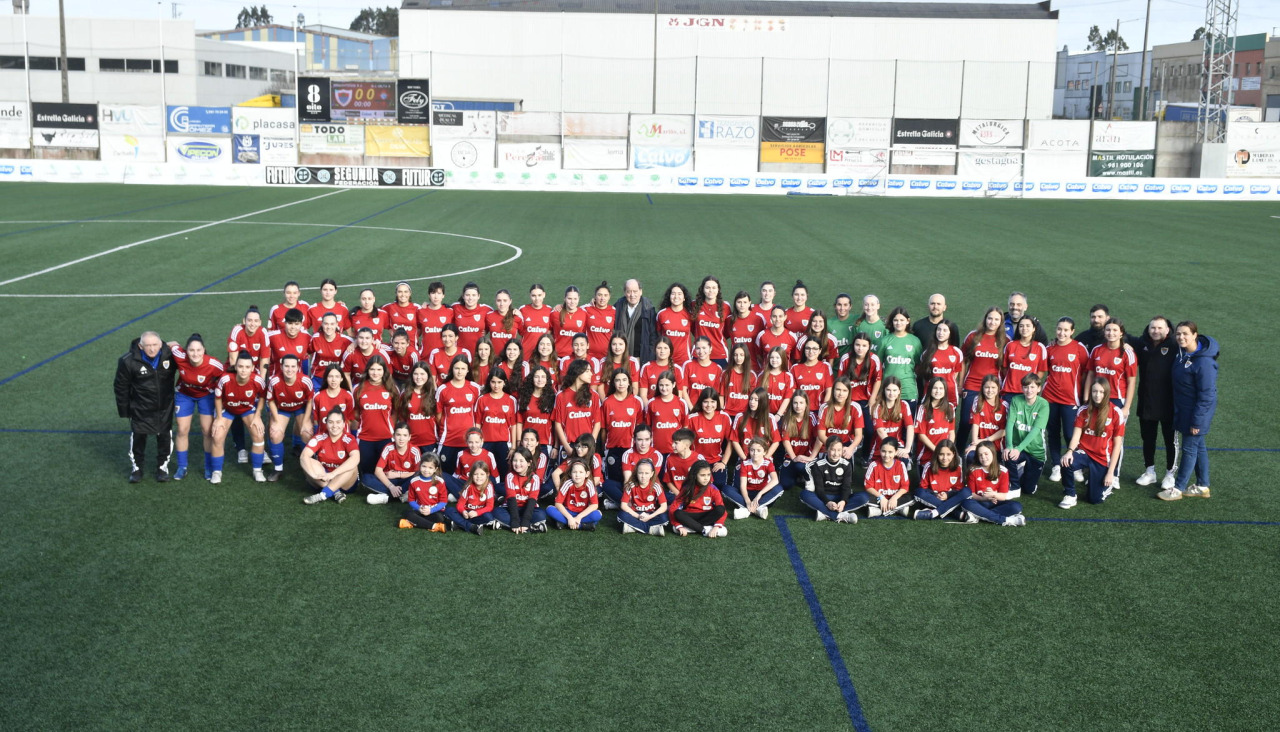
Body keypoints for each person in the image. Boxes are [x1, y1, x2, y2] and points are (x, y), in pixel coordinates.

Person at [1162, 321, 1218, 501]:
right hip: (1184, 411)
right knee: (1198, 447)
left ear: (1195, 335)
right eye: (1178, 334)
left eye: (1185, 333)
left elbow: (1207, 395)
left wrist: (1197, 421)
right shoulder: (1183, 354)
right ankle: (1202, 485)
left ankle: (1178, 488)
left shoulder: (1204, 362)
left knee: (1189, 449)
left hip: (1195, 414)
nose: (1181, 337)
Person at [115, 330, 180, 483]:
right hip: (140, 408)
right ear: (140, 346)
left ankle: (162, 468)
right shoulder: (127, 361)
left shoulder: (170, 355)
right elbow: (120, 387)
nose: (152, 349)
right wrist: (124, 410)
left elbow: (190, 362)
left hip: (165, 407)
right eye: (148, 345)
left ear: (161, 344)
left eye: (155, 345)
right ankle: (137, 469)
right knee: (138, 438)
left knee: (164, 438)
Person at [1059, 380, 1126, 508]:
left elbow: (1117, 445)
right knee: (1066, 461)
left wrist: (1111, 472)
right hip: (1085, 453)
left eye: (1101, 392)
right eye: (1095, 391)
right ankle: (1070, 495)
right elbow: (1076, 435)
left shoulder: (1116, 412)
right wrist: (1069, 451)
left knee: (1094, 499)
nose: (1097, 395)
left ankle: (1104, 487)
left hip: (1102, 458)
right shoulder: (1083, 410)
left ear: (1107, 393)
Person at [166, 334, 223, 481]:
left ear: (204, 350)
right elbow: (172, 343)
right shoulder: (180, 355)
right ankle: (182, 466)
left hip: (206, 395)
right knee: (182, 429)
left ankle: (208, 467)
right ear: (186, 351)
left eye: (198, 350)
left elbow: (225, 377)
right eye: (191, 350)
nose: (195, 354)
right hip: (184, 394)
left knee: (207, 430)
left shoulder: (213, 364)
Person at [1043, 317, 1090, 482]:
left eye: (1065, 330)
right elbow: (1045, 370)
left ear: (1072, 332)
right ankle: (1056, 465)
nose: (1061, 333)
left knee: (1071, 434)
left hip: (1071, 400)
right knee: (1053, 433)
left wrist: (1084, 394)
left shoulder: (1079, 348)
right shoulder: (1049, 348)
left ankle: (1074, 465)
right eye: (1059, 329)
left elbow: (1086, 372)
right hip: (1050, 398)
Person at [1135, 316, 1178, 491]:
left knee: (1170, 441)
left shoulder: (1175, 345)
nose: (1156, 331)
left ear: (1168, 330)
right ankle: (1150, 471)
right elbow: (1123, 338)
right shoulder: (1142, 344)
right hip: (1147, 402)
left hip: (1169, 403)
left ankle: (1170, 474)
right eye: (1153, 328)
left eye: (1160, 328)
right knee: (1148, 439)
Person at [210, 352, 267, 483]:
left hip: (247, 409)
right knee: (217, 436)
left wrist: (257, 416)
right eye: (240, 366)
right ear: (235, 367)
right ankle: (216, 472)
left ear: (252, 368)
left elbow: (263, 396)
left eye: (247, 367)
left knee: (258, 434)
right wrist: (218, 418)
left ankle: (257, 470)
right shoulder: (225, 379)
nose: (243, 370)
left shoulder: (258, 380)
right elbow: (218, 398)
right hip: (227, 409)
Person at [264, 354, 314, 481]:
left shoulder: (305, 381)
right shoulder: (274, 381)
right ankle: (278, 469)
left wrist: (306, 421)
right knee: (275, 434)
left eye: (293, 366)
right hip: (282, 409)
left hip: (301, 408)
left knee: (307, 433)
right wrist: (275, 420)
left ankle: (308, 466)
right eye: (286, 366)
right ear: (281, 366)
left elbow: (309, 402)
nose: (289, 369)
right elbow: (271, 401)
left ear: (298, 367)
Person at [960, 307, 1007, 444]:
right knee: (965, 422)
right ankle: (958, 453)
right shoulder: (973, 336)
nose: (992, 322)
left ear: (1001, 322)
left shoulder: (1005, 340)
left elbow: (1005, 367)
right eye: (990, 318)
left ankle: (987, 454)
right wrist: (960, 384)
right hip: (972, 385)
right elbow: (963, 360)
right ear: (985, 319)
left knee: (988, 424)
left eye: (996, 319)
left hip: (993, 388)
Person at [1003, 374, 1050, 497]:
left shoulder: (1044, 404)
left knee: (1028, 489)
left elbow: (1036, 430)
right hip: (1019, 447)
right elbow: (1010, 423)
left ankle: (1024, 472)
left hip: (1036, 451)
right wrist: (1009, 446)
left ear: (1039, 388)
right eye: (1026, 387)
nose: (1029, 390)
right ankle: (1014, 486)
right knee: (1008, 455)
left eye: (1032, 387)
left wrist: (1018, 449)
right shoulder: (1016, 400)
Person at [960, 440, 1026, 526]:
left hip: (996, 503)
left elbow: (1003, 496)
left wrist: (993, 495)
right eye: (980, 455)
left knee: (1016, 506)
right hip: (979, 502)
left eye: (986, 454)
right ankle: (1006, 520)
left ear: (993, 453)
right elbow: (971, 494)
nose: (983, 457)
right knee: (967, 503)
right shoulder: (973, 470)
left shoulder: (1003, 471)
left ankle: (978, 515)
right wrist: (985, 498)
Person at [301, 410, 360, 504]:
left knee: (352, 465)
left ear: (344, 423)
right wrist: (313, 475)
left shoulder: (349, 439)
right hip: (323, 479)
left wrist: (333, 474)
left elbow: (356, 458)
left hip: (344, 482)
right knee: (309, 461)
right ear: (326, 423)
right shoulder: (320, 437)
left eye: (338, 422)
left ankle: (323, 494)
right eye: (331, 422)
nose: (334, 426)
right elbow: (304, 456)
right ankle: (335, 492)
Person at [435, 356, 482, 473]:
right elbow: (438, 416)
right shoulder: (443, 389)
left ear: (468, 370)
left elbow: (478, 414)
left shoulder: (475, 388)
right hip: (448, 440)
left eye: (463, 368)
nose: (460, 371)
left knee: (468, 474)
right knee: (446, 473)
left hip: (469, 441)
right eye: (457, 368)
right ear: (452, 369)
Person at [473, 367, 520, 476]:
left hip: (504, 443)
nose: (496, 385)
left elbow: (513, 425)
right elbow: (477, 424)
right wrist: (478, 443)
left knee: (504, 473)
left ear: (504, 383)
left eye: (499, 382)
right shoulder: (482, 399)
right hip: (486, 442)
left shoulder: (511, 400)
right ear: (489, 382)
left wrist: (513, 447)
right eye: (493, 382)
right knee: (485, 472)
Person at [799, 435, 858, 522]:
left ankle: (824, 513)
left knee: (863, 497)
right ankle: (841, 515)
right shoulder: (819, 465)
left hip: (839, 496)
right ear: (826, 449)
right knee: (804, 494)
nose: (836, 453)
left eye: (839, 450)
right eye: (833, 450)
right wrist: (827, 502)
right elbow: (819, 489)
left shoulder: (846, 465)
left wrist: (843, 501)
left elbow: (846, 487)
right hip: (824, 498)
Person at [850, 437, 913, 517]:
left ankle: (879, 511)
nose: (886, 455)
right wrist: (881, 497)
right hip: (878, 498)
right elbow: (868, 486)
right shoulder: (874, 465)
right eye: (884, 451)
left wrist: (894, 498)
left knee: (914, 495)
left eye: (890, 452)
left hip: (896, 498)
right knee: (863, 497)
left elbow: (905, 486)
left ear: (896, 452)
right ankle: (898, 509)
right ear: (879, 451)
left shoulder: (901, 465)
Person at [600, 370, 643, 487]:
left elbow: (639, 427)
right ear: (613, 383)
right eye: (618, 380)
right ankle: (614, 500)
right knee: (613, 479)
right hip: (612, 448)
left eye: (624, 380)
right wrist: (605, 448)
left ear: (629, 382)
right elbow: (603, 429)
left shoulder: (636, 401)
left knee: (630, 479)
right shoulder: (607, 402)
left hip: (630, 447)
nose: (621, 383)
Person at [724, 438, 783, 520]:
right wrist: (748, 501)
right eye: (752, 450)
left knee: (779, 489)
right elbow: (743, 486)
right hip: (747, 494)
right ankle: (757, 510)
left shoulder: (768, 463)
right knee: (726, 489)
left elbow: (775, 480)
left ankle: (746, 511)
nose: (755, 453)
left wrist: (760, 494)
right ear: (749, 451)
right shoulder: (745, 463)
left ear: (764, 452)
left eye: (759, 450)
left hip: (762, 496)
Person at [553, 360, 602, 456]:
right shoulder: (561, 396)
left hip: (587, 446)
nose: (591, 374)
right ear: (578, 372)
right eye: (587, 371)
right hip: (569, 445)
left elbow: (597, 423)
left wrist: (590, 444)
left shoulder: (594, 395)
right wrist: (567, 447)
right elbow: (558, 424)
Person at [911, 440, 968, 521]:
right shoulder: (929, 466)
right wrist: (936, 495)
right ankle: (955, 513)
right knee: (918, 492)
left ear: (953, 454)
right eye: (941, 454)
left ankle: (933, 513)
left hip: (950, 499)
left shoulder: (958, 468)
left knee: (966, 491)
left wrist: (947, 495)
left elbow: (959, 490)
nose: (945, 458)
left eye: (948, 454)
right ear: (937, 454)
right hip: (934, 499)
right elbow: (923, 488)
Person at [493, 448, 547, 533]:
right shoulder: (510, 476)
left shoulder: (535, 478)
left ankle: (518, 525)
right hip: (512, 507)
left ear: (529, 463)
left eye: (521, 461)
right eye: (515, 460)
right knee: (497, 512)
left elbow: (532, 500)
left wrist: (525, 521)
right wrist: (515, 522)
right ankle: (532, 527)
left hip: (528, 507)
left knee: (541, 515)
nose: (517, 464)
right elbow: (511, 499)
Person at [878, 307, 923, 409]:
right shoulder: (885, 340)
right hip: (888, 389)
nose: (898, 323)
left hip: (908, 389)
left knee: (908, 423)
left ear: (908, 321)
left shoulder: (915, 341)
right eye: (896, 320)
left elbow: (919, 365)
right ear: (892, 322)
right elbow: (877, 365)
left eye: (902, 320)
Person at [364, 423, 420, 505]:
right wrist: (391, 487)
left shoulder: (415, 450)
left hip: (407, 480)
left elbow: (418, 473)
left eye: (405, 435)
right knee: (366, 478)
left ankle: (386, 498)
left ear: (409, 437)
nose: (401, 438)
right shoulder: (388, 448)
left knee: (418, 479)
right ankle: (404, 495)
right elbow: (378, 470)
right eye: (398, 435)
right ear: (393, 436)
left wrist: (399, 475)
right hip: (391, 480)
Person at [670, 461, 727, 538]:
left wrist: (716, 528)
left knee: (720, 509)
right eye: (702, 475)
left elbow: (722, 510)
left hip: (706, 516)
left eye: (708, 475)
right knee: (678, 513)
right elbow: (674, 507)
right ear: (695, 475)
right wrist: (678, 525)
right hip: (691, 516)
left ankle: (692, 528)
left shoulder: (713, 489)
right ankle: (703, 530)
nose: (706, 478)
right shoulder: (687, 488)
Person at [617, 458, 669, 536]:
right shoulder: (630, 486)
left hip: (651, 513)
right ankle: (651, 529)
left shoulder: (656, 486)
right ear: (636, 473)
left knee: (664, 517)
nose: (643, 476)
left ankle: (632, 528)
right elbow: (623, 505)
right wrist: (638, 516)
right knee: (622, 515)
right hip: (636, 513)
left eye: (646, 473)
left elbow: (664, 506)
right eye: (640, 473)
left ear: (652, 474)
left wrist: (650, 517)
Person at [398, 453, 449, 532]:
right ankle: (434, 526)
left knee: (440, 518)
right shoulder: (414, 481)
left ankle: (411, 523)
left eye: (430, 468)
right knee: (408, 514)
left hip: (435, 511)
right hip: (420, 510)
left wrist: (431, 510)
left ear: (435, 469)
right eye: (424, 466)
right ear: (420, 466)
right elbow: (411, 500)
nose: (426, 470)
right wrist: (419, 508)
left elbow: (443, 501)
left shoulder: (440, 481)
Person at [778, 392, 819, 488]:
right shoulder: (787, 419)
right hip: (791, 456)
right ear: (792, 404)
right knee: (786, 484)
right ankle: (798, 476)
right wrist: (793, 458)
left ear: (806, 404)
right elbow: (786, 441)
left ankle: (807, 476)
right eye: (795, 403)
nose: (798, 406)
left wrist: (811, 457)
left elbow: (819, 439)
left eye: (801, 403)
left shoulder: (812, 417)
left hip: (807, 457)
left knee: (800, 466)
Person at [444, 461, 496, 535]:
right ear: (471, 475)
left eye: (482, 474)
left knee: (488, 517)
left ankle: (460, 524)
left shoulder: (489, 486)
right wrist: (463, 511)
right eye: (475, 474)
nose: (479, 477)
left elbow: (489, 506)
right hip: (467, 513)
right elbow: (460, 504)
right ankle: (471, 526)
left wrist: (477, 513)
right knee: (449, 510)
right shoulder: (468, 486)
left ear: (487, 475)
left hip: (479, 513)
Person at [548, 459, 602, 531]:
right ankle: (582, 526)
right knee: (549, 509)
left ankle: (565, 523)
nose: (577, 475)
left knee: (597, 515)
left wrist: (579, 517)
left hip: (582, 513)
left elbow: (594, 505)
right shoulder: (567, 484)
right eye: (574, 472)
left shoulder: (589, 484)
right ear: (570, 473)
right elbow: (558, 503)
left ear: (587, 474)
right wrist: (570, 518)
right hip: (568, 512)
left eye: (581, 472)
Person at [913, 377, 955, 468]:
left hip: (944, 455)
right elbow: (921, 435)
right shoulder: (923, 408)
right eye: (935, 388)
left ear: (945, 391)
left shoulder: (950, 407)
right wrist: (937, 451)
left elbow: (951, 431)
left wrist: (947, 450)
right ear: (930, 390)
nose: (937, 391)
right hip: (926, 456)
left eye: (941, 388)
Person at [645, 371, 689, 457]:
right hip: (656, 450)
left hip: (676, 450)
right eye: (661, 385)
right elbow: (647, 427)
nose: (664, 388)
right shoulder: (652, 403)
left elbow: (685, 427)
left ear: (673, 384)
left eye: (667, 385)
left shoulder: (681, 403)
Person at [614, 278, 658, 364]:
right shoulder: (618, 306)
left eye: (635, 291)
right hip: (620, 357)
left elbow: (653, 335)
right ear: (624, 292)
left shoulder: (648, 309)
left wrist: (648, 356)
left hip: (640, 358)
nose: (632, 295)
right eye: (629, 291)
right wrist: (594, 303)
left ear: (641, 291)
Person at [1001, 316, 1048, 396]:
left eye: (1028, 326)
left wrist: (1031, 384)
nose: (1024, 328)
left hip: (1028, 393)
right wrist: (1012, 379)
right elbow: (1004, 368)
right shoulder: (1010, 345)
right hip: (1009, 391)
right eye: (1021, 326)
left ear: (1034, 329)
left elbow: (1041, 371)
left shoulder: (1040, 348)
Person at [398, 362, 439, 453]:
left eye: (422, 374)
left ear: (428, 375)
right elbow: (401, 417)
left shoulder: (435, 393)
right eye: (415, 374)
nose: (418, 377)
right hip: (411, 442)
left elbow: (439, 418)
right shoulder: (405, 393)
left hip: (430, 441)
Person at [308, 313, 352, 391]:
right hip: (318, 378)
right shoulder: (315, 338)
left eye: (332, 324)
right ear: (322, 324)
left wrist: (354, 344)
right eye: (326, 324)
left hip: (337, 379)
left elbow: (361, 341)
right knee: (316, 401)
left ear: (336, 324)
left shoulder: (345, 340)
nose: (329, 327)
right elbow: (307, 352)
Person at [693, 276, 731, 365]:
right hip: (699, 353)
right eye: (707, 288)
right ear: (702, 289)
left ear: (718, 289)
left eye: (714, 288)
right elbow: (691, 327)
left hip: (719, 353)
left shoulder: (726, 306)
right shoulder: (694, 304)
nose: (711, 291)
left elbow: (728, 330)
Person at [656, 282, 695, 365]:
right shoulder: (662, 314)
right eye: (673, 294)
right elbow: (658, 334)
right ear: (669, 296)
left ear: (684, 297)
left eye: (679, 294)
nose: (676, 297)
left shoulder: (690, 315)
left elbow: (697, 332)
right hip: (665, 358)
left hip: (684, 359)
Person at [452, 282, 492, 355]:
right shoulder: (455, 307)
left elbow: (499, 316)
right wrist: (426, 305)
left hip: (479, 354)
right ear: (463, 296)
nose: (470, 298)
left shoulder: (486, 309)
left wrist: (514, 312)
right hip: (459, 353)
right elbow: (441, 310)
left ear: (478, 296)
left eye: (474, 295)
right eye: (467, 295)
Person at [756, 307, 798, 371]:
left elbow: (794, 357)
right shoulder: (761, 335)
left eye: (780, 316)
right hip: (767, 373)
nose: (777, 319)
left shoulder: (792, 336)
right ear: (770, 317)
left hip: (785, 373)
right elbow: (758, 355)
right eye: (774, 316)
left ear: (785, 317)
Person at [519, 283, 554, 360]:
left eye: (539, 295)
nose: (537, 298)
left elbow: (551, 331)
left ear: (544, 294)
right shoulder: (522, 310)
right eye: (533, 295)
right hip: (526, 352)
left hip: (543, 353)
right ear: (530, 295)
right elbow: (519, 330)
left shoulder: (549, 310)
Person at [583, 281, 617, 360]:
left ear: (609, 297)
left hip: (607, 356)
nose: (602, 298)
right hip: (589, 355)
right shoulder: (586, 309)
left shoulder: (614, 311)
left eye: (605, 295)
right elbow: (572, 309)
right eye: (599, 295)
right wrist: (560, 306)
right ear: (595, 296)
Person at [380, 282, 420, 348]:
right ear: (396, 293)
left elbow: (421, 326)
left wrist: (415, 336)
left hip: (412, 347)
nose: (403, 294)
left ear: (410, 293)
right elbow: (373, 311)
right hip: (395, 347)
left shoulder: (417, 308)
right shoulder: (389, 307)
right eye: (400, 292)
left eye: (406, 292)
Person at [417, 282, 452, 355]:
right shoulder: (420, 311)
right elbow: (416, 332)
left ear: (443, 295)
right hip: (425, 354)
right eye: (433, 293)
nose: (436, 297)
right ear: (429, 295)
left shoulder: (450, 311)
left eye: (439, 293)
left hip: (444, 354)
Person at [552, 285, 588, 359]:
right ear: (564, 299)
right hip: (559, 355)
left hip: (576, 355)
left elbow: (584, 334)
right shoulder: (555, 313)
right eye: (569, 298)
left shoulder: (584, 313)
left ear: (579, 299)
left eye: (575, 299)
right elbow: (548, 332)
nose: (572, 302)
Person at [485, 288, 523, 356]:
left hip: (510, 357)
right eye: (499, 300)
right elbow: (483, 332)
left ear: (510, 301)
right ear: (495, 301)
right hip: (493, 357)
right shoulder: (489, 316)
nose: (501, 304)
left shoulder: (516, 317)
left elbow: (524, 335)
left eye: (505, 300)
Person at [829, 293, 858, 358]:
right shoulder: (828, 324)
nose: (842, 308)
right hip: (835, 366)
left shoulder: (857, 319)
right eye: (839, 305)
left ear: (850, 306)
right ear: (835, 306)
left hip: (852, 365)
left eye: (845, 305)